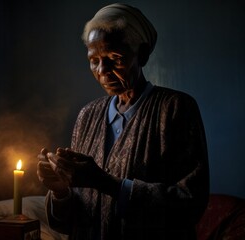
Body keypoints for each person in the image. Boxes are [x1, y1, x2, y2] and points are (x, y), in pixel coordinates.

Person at [37, 3, 209, 240]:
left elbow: (190, 203)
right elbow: (74, 218)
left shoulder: (175, 108)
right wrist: (60, 190)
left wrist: (107, 183)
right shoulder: (87, 115)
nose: (102, 70)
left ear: (143, 54)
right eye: (94, 60)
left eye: (114, 58)